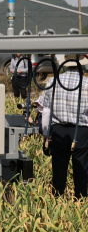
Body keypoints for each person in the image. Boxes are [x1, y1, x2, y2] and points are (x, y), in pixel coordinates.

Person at [39, 54, 88, 198]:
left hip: (59, 130)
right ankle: (80, 202)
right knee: (82, 170)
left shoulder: (53, 81)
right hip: (82, 131)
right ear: (81, 65)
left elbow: (46, 111)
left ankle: (57, 202)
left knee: (59, 171)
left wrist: (46, 136)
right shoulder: (86, 83)